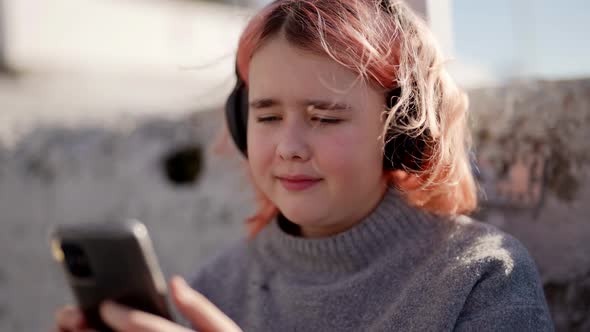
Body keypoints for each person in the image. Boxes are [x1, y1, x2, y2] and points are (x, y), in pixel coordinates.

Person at [54, 0, 554, 331]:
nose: (289, 145)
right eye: (267, 115)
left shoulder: (481, 277)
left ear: (402, 132)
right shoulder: (214, 289)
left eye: (325, 117)